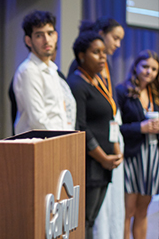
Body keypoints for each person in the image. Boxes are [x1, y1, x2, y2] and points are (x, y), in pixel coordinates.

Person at [67, 30, 123, 239]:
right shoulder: (77, 84)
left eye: (103, 52)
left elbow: (110, 120)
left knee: (92, 220)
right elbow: (81, 126)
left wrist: (116, 150)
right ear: (81, 55)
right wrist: (103, 158)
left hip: (105, 163)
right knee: (84, 222)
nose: (102, 57)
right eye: (96, 52)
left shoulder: (97, 82)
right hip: (91, 164)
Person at [116, 50, 159, 239]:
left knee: (143, 209)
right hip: (132, 155)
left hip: (152, 156)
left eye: (154, 69)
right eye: (145, 67)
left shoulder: (156, 94)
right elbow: (116, 129)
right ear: (136, 67)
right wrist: (139, 128)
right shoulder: (122, 91)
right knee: (129, 210)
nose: (149, 72)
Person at [12, 10, 76, 135]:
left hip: (56, 142)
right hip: (39, 144)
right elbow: (38, 120)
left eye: (50, 33)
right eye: (39, 35)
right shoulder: (29, 71)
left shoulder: (52, 68)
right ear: (28, 41)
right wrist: (62, 139)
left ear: (56, 36)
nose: (46, 40)